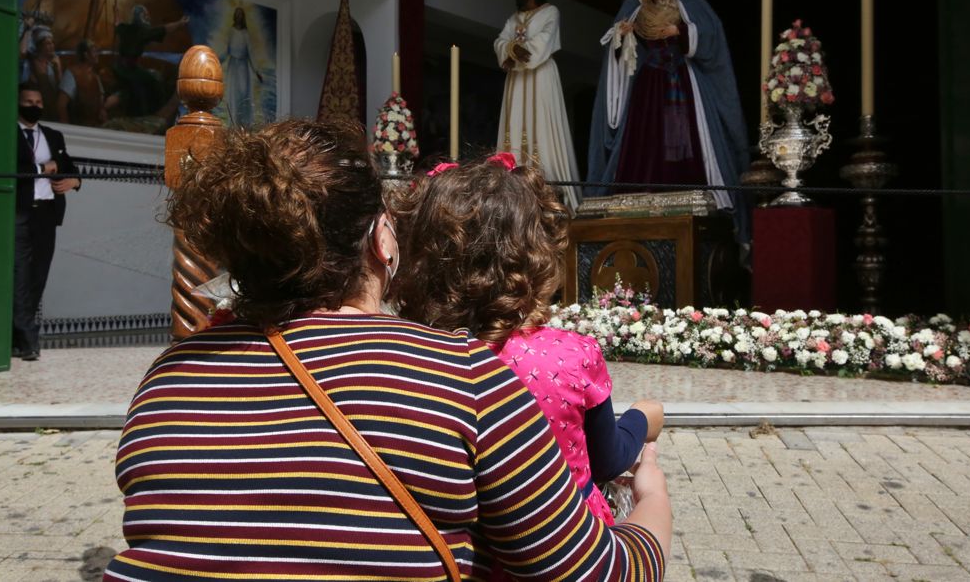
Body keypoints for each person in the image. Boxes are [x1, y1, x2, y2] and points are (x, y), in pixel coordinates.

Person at [103, 117, 669, 581]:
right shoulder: (462, 377)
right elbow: (596, 573)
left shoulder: (168, 377)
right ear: (381, 238)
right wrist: (651, 504)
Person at [392, 154, 667, 532]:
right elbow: (607, 460)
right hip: (565, 543)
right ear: (534, 255)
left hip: (450, 544)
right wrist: (642, 419)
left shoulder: (408, 355)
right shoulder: (571, 357)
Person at [586, 0, 750, 245]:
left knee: (682, 139)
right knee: (645, 143)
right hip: (648, 87)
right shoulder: (635, 11)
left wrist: (680, 31)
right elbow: (617, 55)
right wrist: (623, 36)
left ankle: (687, 191)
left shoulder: (685, 7)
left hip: (680, 84)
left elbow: (711, 36)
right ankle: (643, 195)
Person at [494, 0, 581, 209]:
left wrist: (519, 51)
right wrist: (510, 49)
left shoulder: (550, 12)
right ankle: (512, 186)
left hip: (541, 77)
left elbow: (544, 42)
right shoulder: (513, 19)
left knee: (543, 127)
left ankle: (549, 187)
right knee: (514, 124)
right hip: (517, 82)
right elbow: (500, 41)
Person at [13, 83, 80, 361]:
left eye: (39, 101)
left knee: (38, 277)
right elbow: (13, 169)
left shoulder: (53, 135)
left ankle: (17, 337)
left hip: (46, 216)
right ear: (18, 103)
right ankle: (29, 341)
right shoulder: (10, 133)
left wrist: (74, 181)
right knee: (19, 276)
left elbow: (70, 168)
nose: (35, 105)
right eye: (29, 101)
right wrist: (43, 169)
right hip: (19, 215)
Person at [113, 4, 189, 118]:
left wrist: (117, 12)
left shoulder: (124, 28)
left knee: (148, 80)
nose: (148, 18)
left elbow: (117, 23)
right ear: (139, 16)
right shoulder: (143, 32)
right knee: (154, 84)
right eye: (145, 15)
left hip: (119, 66)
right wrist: (179, 23)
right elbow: (165, 29)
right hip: (128, 70)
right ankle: (150, 115)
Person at [222, 6, 263, 126]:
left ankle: (243, 125)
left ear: (243, 17)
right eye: (237, 14)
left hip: (243, 68)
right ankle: (233, 123)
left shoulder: (246, 33)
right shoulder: (231, 31)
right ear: (235, 16)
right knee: (233, 96)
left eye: (241, 14)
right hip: (233, 67)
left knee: (243, 94)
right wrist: (216, 60)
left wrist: (257, 72)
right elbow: (227, 50)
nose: (239, 16)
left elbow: (251, 53)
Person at [57, 39, 114, 126]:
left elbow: (100, 101)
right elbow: (61, 105)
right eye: (94, 51)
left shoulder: (95, 76)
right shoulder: (72, 73)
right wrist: (66, 128)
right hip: (79, 126)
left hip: (95, 127)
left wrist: (102, 111)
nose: (97, 55)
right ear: (86, 55)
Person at [18, 25, 62, 121]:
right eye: (48, 44)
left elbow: (60, 93)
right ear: (39, 46)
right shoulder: (31, 62)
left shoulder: (52, 65)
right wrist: (28, 30)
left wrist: (58, 70)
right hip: (32, 113)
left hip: (50, 114)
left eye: (52, 43)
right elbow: (22, 52)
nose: (52, 46)